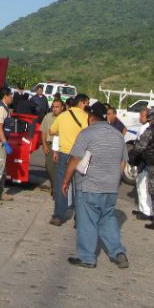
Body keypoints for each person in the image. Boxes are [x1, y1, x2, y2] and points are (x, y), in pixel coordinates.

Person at [61, 102, 129, 269]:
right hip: (111, 187)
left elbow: (75, 159)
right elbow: (123, 162)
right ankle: (118, 252)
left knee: (87, 221)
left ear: (91, 117)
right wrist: (115, 180)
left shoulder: (87, 134)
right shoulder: (118, 135)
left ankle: (87, 257)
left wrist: (65, 181)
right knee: (108, 218)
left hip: (89, 184)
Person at [48, 93, 90, 226]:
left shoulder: (63, 116)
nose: (87, 106)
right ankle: (79, 219)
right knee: (80, 186)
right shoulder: (86, 117)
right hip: (80, 156)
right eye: (86, 103)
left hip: (64, 154)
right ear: (82, 103)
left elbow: (51, 131)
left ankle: (58, 216)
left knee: (62, 184)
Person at [130, 108, 153, 221]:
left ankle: (147, 211)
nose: (140, 118)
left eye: (142, 116)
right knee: (143, 187)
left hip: (143, 161)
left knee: (142, 186)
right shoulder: (149, 127)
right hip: (147, 161)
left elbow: (139, 147)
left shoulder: (145, 128)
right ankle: (143, 209)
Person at [40, 99, 65, 196]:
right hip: (50, 144)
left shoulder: (64, 117)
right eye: (53, 106)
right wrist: (44, 145)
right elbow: (43, 132)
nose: (54, 109)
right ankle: (55, 187)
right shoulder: (48, 117)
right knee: (49, 166)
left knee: (60, 168)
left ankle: (57, 189)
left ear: (62, 108)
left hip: (62, 145)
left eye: (57, 107)